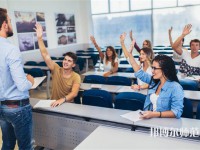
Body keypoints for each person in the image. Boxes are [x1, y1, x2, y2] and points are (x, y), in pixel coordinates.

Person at [120, 33, 184, 119]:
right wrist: (130, 54)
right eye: (152, 68)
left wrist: (154, 114)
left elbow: (176, 112)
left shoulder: (176, 87)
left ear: (165, 69)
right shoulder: (155, 82)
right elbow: (139, 72)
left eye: (155, 68)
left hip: (163, 124)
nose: (152, 71)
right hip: (150, 119)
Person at [0, 8, 34, 149]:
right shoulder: (11, 49)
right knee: (26, 146)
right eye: (9, 20)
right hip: (17, 107)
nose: (11, 24)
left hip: (1, 106)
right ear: (4, 24)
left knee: (7, 143)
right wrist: (30, 81)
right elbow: (21, 85)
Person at [34, 23, 81, 107]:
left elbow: (74, 93)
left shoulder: (76, 76)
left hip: (68, 104)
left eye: (69, 61)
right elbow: (45, 55)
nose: (66, 62)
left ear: (73, 65)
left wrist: (62, 99)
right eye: (65, 59)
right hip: (54, 104)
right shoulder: (56, 69)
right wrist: (40, 39)